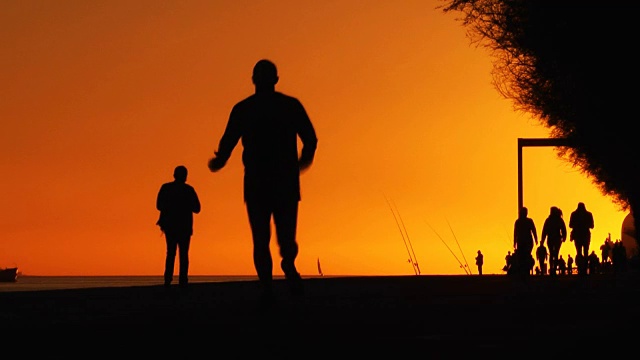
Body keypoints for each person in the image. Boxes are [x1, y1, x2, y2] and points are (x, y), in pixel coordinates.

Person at [208, 59, 318, 302]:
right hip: (283, 181)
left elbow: (228, 141)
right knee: (284, 235)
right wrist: (302, 162)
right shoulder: (288, 106)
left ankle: (268, 284)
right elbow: (310, 139)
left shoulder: (244, 108)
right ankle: (286, 268)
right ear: (276, 80)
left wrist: (220, 160)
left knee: (261, 238)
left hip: (259, 182)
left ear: (253, 80)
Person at [156, 165, 201, 288]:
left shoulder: (166, 188)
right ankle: (182, 280)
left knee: (171, 253)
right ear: (185, 177)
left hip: (171, 226)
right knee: (183, 254)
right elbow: (197, 208)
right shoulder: (189, 190)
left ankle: (168, 279)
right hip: (184, 226)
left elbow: (159, 205)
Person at [569, 202, 594, 275]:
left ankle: (580, 268)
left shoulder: (574, 214)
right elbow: (592, 226)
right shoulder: (589, 214)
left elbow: (570, 225)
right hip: (586, 235)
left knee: (579, 252)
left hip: (577, 235)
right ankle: (585, 268)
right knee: (586, 252)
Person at [540, 206, 567, 276]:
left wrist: (542, 240)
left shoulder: (549, 220)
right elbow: (564, 229)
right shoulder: (558, 220)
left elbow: (544, 231)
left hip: (552, 238)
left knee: (552, 254)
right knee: (555, 254)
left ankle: (553, 268)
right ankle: (553, 268)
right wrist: (564, 237)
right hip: (556, 239)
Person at [514, 206, 538, 277]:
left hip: (524, 241)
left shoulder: (519, 221)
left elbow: (533, 230)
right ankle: (524, 270)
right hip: (525, 241)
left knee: (524, 256)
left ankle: (525, 270)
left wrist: (515, 242)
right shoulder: (522, 221)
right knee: (524, 256)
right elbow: (533, 230)